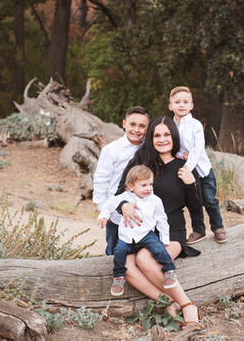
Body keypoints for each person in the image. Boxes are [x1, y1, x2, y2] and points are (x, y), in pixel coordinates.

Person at [113, 116, 203, 326]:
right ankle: (168, 302)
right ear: (151, 139)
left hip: (171, 231)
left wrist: (192, 185)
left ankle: (188, 305)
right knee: (126, 266)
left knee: (145, 258)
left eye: (166, 134)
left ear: (174, 137)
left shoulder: (184, 166)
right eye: (157, 135)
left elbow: (196, 207)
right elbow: (119, 195)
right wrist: (124, 205)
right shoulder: (141, 165)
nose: (162, 139)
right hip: (139, 232)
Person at [97, 165, 177, 296]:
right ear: (131, 186)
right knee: (119, 252)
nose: (149, 188)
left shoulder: (155, 201)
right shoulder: (125, 198)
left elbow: (162, 220)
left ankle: (169, 271)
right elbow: (109, 204)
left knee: (158, 248)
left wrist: (165, 239)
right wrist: (103, 216)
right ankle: (118, 278)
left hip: (146, 234)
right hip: (127, 236)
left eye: (151, 184)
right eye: (144, 185)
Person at [168, 86, 227, 244]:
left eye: (185, 102)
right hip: (185, 172)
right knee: (193, 202)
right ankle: (199, 230)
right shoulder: (169, 126)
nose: (181, 105)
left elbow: (197, 149)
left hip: (202, 170)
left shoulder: (195, 125)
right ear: (170, 106)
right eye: (177, 102)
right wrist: (179, 155)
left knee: (209, 199)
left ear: (191, 105)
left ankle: (218, 227)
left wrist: (187, 165)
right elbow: (171, 146)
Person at [93, 106, 150, 255]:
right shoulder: (111, 150)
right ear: (124, 124)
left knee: (139, 252)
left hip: (142, 213)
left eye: (142, 126)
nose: (136, 129)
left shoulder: (150, 150)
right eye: (132, 124)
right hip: (116, 214)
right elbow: (101, 180)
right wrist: (103, 209)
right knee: (114, 252)